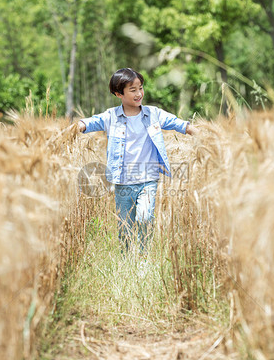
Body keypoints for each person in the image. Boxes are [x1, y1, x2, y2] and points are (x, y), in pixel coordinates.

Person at [78, 67, 197, 255]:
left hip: (147, 179)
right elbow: (91, 122)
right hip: (123, 182)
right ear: (118, 93)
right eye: (132, 90)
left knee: (144, 217)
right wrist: (78, 126)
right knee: (125, 227)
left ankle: (143, 258)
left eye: (140, 88)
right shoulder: (111, 116)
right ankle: (127, 261)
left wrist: (200, 133)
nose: (139, 93)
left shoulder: (153, 114)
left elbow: (178, 123)